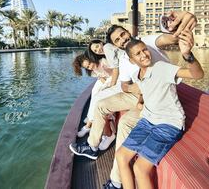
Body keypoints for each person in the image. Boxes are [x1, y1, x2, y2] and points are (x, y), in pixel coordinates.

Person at [69, 11, 198, 189]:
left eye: (123, 34)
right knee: (100, 104)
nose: (122, 40)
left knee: (125, 124)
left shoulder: (145, 43)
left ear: (128, 31)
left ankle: (116, 181)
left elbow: (170, 39)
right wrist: (135, 88)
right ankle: (92, 146)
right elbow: (123, 85)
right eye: (117, 40)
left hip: (158, 97)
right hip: (139, 94)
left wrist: (184, 20)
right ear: (116, 45)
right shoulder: (124, 58)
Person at [116, 33, 204, 189]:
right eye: (138, 53)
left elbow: (197, 74)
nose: (144, 54)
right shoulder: (138, 75)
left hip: (168, 124)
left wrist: (187, 54)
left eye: (145, 50)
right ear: (132, 61)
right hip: (147, 121)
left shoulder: (161, 68)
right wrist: (140, 101)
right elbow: (146, 90)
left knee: (140, 168)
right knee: (121, 156)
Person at [72, 52, 116, 150]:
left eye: (89, 64)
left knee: (98, 98)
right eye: (87, 67)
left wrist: (106, 82)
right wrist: (102, 80)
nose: (90, 67)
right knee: (94, 91)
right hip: (106, 81)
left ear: (91, 59)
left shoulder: (103, 62)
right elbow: (100, 76)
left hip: (113, 81)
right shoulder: (93, 70)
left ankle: (89, 124)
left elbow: (114, 74)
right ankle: (90, 121)